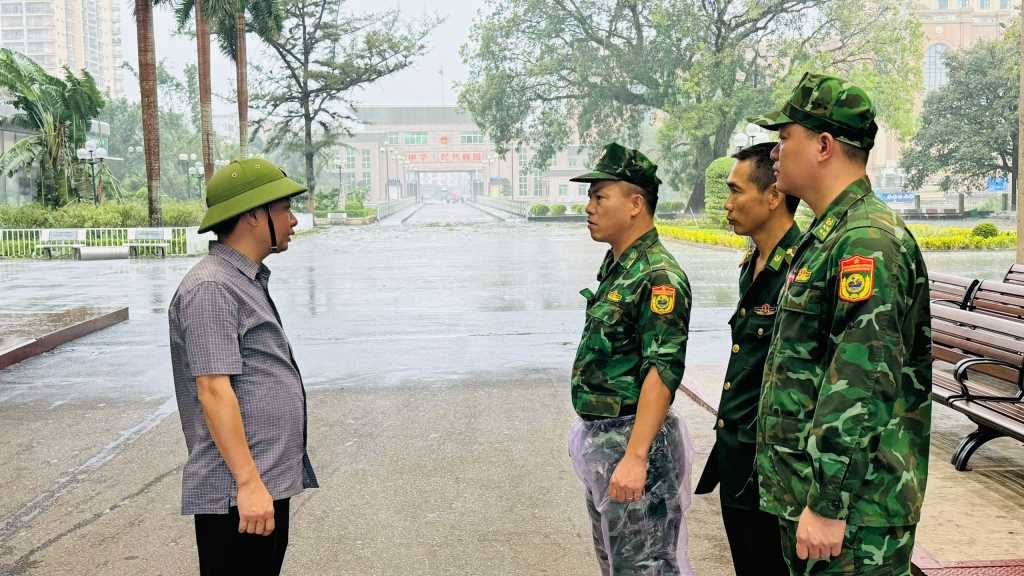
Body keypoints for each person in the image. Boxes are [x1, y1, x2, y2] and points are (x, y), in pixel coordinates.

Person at [748, 73, 932, 575]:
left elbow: (862, 383)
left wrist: (828, 501)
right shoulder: (829, 236)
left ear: (824, 145)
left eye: (786, 138)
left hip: (852, 514)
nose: (775, 153)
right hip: (817, 501)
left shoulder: (866, 242)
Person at [168, 157, 319, 575]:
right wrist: (249, 483)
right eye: (284, 209)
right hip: (239, 493)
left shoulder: (241, 281)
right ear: (254, 214)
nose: (293, 220)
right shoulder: (213, 287)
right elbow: (214, 390)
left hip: (259, 485)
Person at [567, 142, 695, 575]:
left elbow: (662, 368)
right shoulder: (619, 266)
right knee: (620, 566)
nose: (589, 206)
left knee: (646, 568)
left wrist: (637, 456)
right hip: (610, 446)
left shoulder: (658, 275)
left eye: (600, 196)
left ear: (636, 204)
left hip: (637, 451)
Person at [694, 142, 800, 576]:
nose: (727, 203)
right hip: (738, 457)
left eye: (737, 191)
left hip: (775, 467)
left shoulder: (802, 269)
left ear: (773, 196)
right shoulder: (752, 263)